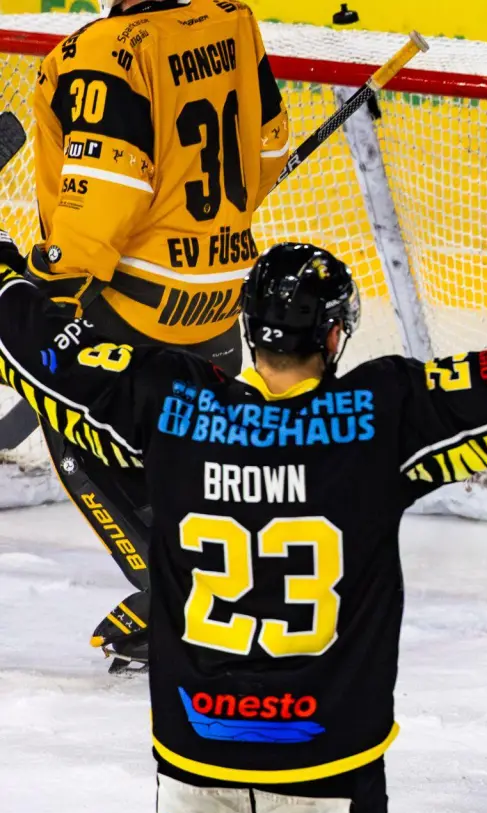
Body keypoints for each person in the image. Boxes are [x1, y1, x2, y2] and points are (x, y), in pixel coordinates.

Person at [0, 224, 487, 813]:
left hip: (196, 750)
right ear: (333, 337)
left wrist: (4, 277)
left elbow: (39, 348)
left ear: (246, 326)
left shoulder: (168, 401)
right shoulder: (379, 414)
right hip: (324, 759)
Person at [28, 0, 291, 673]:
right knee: (194, 460)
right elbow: (268, 149)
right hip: (219, 298)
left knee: (82, 444)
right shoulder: (234, 19)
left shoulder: (106, 48)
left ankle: (194, 603)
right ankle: (251, 588)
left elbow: (104, 188)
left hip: (131, 307)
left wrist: (52, 282)